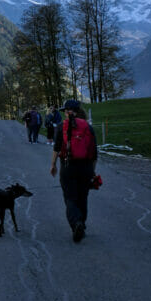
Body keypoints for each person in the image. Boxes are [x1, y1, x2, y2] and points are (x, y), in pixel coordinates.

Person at [49, 99, 97, 242]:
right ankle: (82, 222)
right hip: (86, 167)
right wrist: (92, 171)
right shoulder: (88, 127)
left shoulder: (60, 127)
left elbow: (57, 148)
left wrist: (53, 164)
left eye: (65, 110)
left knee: (70, 197)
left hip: (68, 166)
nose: (64, 113)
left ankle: (76, 223)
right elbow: (94, 153)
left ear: (68, 111)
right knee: (83, 197)